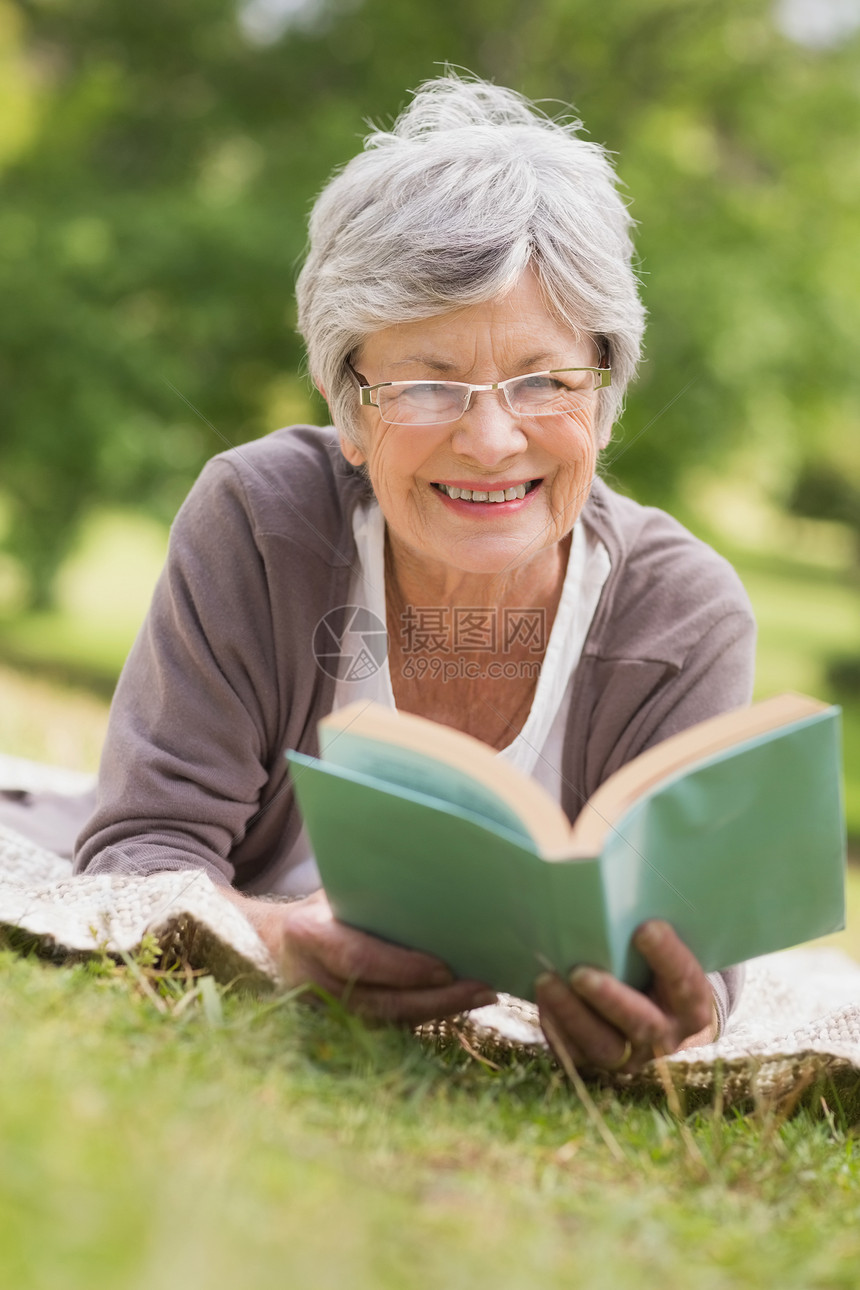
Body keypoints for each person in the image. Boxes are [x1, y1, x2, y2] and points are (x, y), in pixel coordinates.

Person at [72, 75, 755, 1075]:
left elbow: (699, 949)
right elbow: (137, 858)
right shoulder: (258, 523)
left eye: (543, 380)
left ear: (603, 396)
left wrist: (675, 1006)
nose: (489, 439)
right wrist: (273, 941)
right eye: (427, 384)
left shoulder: (683, 614)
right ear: (348, 405)